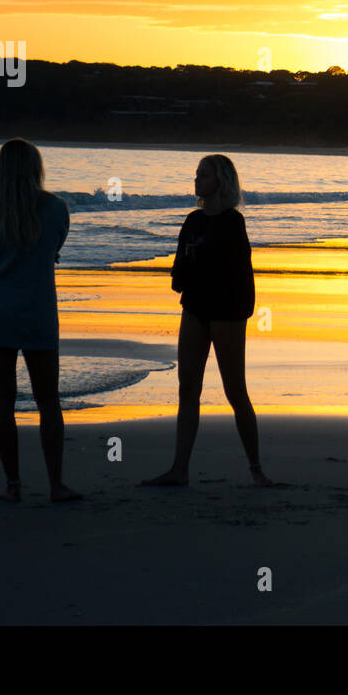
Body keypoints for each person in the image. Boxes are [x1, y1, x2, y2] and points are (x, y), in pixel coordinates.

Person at [142, 154, 273, 488]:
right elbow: (180, 265)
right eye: (196, 175)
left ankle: (256, 469)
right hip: (195, 307)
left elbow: (240, 275)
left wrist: (241, 312)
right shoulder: (193, 220)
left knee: (235, 391)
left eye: (204, 175)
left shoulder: (232, 222)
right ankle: (179, 469)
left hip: (227, 312)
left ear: (221, 181)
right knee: (188, 388)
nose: (197, 180)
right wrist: (183, 276)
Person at [0, 138, 81, 503]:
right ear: (37, 168)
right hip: (38, 310)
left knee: (2, 401)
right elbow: (56, 247)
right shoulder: (56, 208)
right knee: (48, 401)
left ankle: (13, 484)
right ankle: (56, 484)